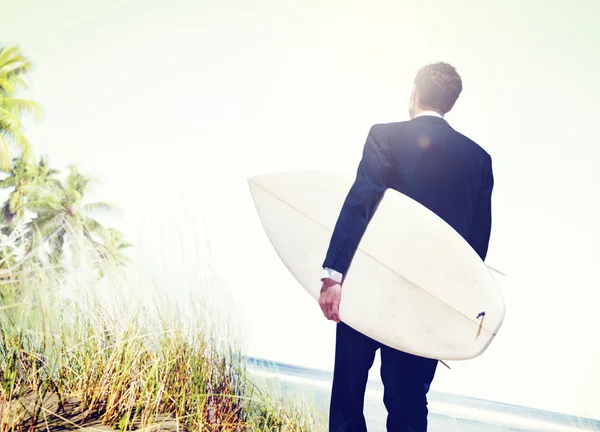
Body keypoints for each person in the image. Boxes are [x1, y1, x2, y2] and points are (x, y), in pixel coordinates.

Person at [318, 62, 494, 432]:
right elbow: (475, 250)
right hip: (426, 304)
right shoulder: (479, 161)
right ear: (451, 104)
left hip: (369, 286)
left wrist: (333, 275)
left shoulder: (386, 137)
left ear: (414, 91)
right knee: (409, 401)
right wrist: (453, 312)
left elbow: (360, 202)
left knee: (348, 396)